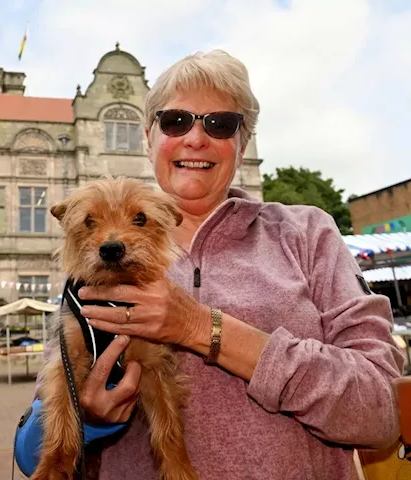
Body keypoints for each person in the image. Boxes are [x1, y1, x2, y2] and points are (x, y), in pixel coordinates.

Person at [37, 50, 405, 479]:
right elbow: (30, 446)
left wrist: (199, 327)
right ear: (149, 136)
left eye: (221, 124)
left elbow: (380, 412)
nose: (196, 138)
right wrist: (93, 422)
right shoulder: (96, 258)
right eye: (176, 121)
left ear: (243, 142)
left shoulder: (307, 232)